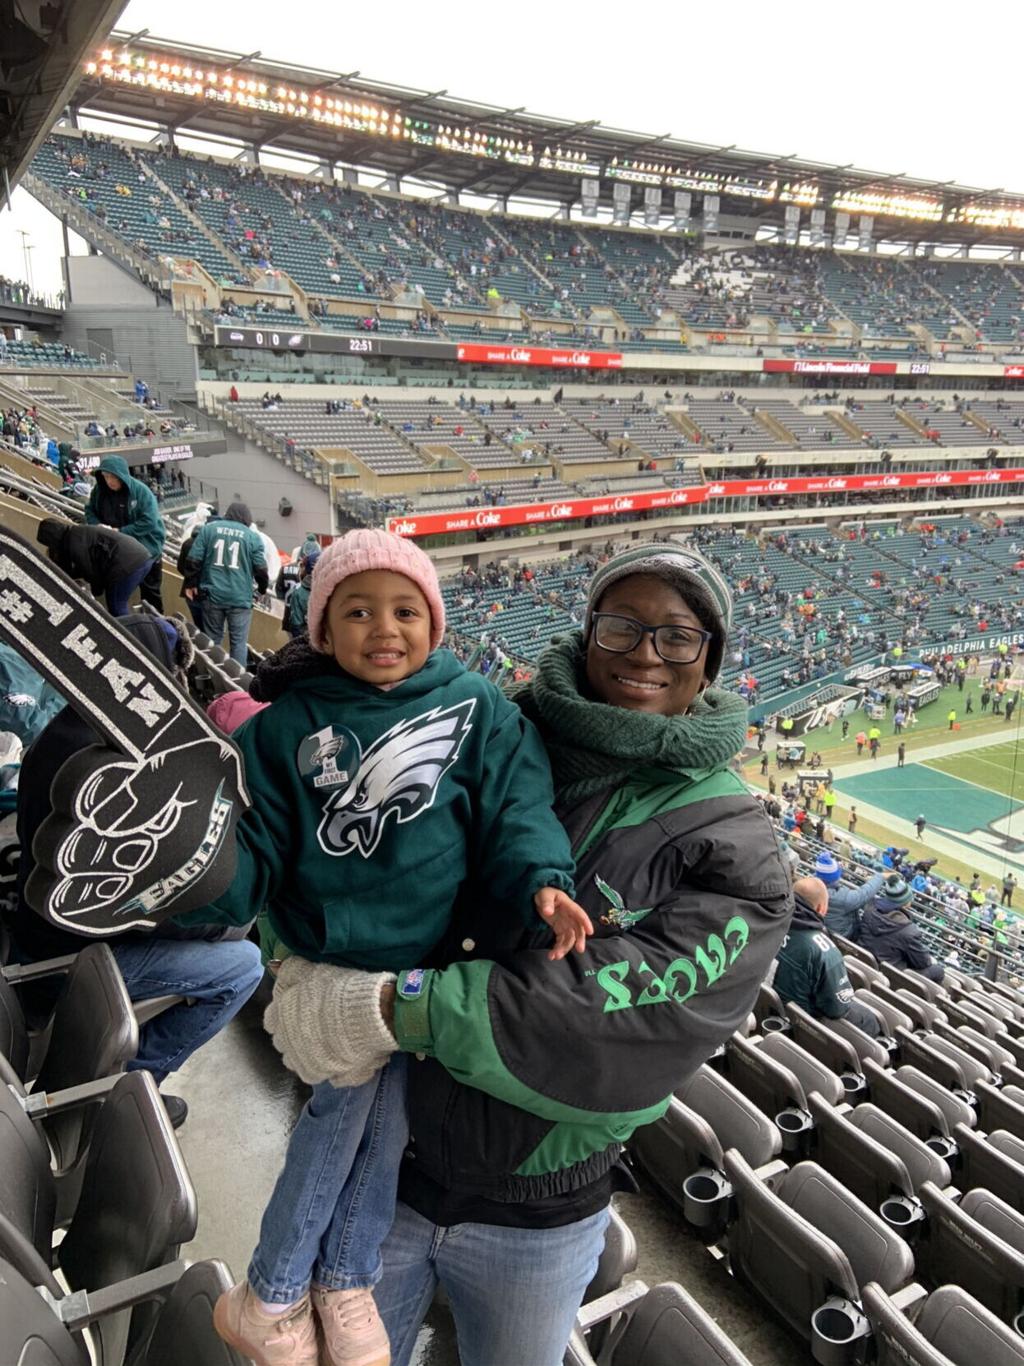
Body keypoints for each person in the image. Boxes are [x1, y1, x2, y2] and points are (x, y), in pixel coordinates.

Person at [239, 541, 794, 1366]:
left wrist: (394, 1007)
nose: (645, 653)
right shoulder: (476, 719)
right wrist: (294, 962)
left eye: (677, 637)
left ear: (709, 659)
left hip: (539, 1217)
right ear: (587, 629)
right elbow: (322, 861)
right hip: (380, 1171)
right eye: (622, 626)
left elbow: (621, 1021)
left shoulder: (734, 846)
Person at [191, 529, 592, 1365]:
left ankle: (323, 1278)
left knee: (379, 1115)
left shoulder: (478, 708)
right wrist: (211, 887)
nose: (385, 628)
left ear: (434, 624)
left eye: (406, 610)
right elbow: (255, 849)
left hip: (422, 962)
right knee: (345, 1115)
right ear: (323, 630)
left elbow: (517, 809)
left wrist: (544, 879)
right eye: (359, 611)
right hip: (329, 960)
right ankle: (282, 1286)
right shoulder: (283, 730)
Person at [4, 614, 265, 1131]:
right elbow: (127, 909)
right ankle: (128, 1086)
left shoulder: (61, 730)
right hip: (71, 960)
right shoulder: (120, 766)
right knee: (243, 964)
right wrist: (213, 925)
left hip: (36, 933)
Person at [773, 876, 881, 1036]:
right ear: (821, 908)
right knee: (871, 1021)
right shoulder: (824, 951)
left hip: (771, 1006)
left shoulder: (768, 920)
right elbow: (837, 1008)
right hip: (802, 1025)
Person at [186, 502, 268, 666]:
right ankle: (238, 685)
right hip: (240, 598)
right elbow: (261, 569)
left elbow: (193, 558)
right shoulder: (252, 537)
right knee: (238, 643)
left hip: (212, 595)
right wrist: (262, 589)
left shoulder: (209, 529)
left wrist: (191, 583)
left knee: (213, 640)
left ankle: (212, 676)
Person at [84, 455, 166, 610]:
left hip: (147, 549)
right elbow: (89, 510)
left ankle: (158, 626)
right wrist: (97, 526)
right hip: (117, 550)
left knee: (151, 594)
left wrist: (121, 532)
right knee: (116, 594)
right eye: (106, 477)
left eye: (113, 477)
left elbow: (149, 521)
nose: (109, 481)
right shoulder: (99, 491)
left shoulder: (141, 492)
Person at [36, 518, 154, 618]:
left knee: (117, 605)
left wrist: (96, 591)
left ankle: (130, 639)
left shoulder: (73, 543)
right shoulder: (77, 533)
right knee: (118, 603)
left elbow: (90, 571)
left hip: (127, 563)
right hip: (140, 556)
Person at [860, 874, 944, 981]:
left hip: (865, 963)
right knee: (937, 970)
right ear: (906, 903)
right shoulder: (908, 930)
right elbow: (922, 963)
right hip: (890, 976)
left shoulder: (870, 909)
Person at [814, 852, 884, 943]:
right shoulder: (841, 898)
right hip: (845, 937)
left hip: (825, 932)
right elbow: (865, 893)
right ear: (834, 878)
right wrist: (880, 876)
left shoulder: (810, 886)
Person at [284, 548, 318, 637]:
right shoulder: (333, 590)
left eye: (302, 566)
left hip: (305, 640)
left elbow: (296, 624)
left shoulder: (299, 592)